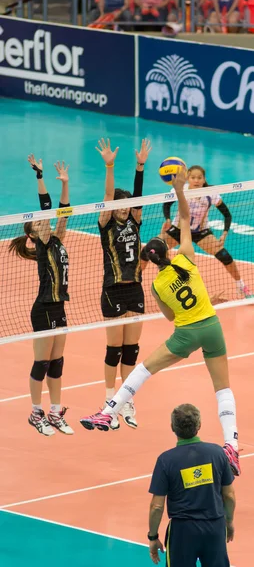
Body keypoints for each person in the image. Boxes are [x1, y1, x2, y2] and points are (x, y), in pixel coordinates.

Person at [80, 165, 241, 477]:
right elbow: (183, 218)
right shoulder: (186, 258)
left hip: (186, 333)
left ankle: (107, 411)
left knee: (143, 369)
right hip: (212, 327)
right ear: (166, 250)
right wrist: (180, 190)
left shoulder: (156, 286)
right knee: (223, 389)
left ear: (148, 260)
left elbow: (171, 317)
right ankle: (232, 444)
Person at [8, 155, 73, 437]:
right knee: (42, 363)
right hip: (43, 308)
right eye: (37, 223)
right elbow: (46, 208)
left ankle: (56, 411)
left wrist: (66, 184)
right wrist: (40, 177)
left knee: (57, 363)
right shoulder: (45, 244)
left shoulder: (57, 239)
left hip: (59, 306)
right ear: (34, 234)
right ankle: (36, 413)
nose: (42, 223)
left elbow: (63, 212)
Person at [96, 137, 151, 430]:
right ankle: (108, 401)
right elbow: (107, 196)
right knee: (114, 349)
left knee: (132, 349)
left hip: (135, 288)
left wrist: (140, 166)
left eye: (127, 205)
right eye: (119, 204)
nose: (123, 208)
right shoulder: (106, 223)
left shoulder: (135, 220)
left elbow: (139, 194)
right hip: (112, 289)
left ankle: (126, 400)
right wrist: (110, 166)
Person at [143, 165, 254, 300]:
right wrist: (167, 219)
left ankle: (241, 286)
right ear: (188, 178)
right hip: (178, 230)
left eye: (199, 178)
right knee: (148, 251)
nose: (196, 180)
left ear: (204, 179)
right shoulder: (181, 189)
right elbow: (167, 204)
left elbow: (227, 215)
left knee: (225, 256)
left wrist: (224, 233)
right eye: (193, 177)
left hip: (201, 233)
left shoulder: (210, 193)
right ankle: (136, 280)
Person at [147, 404, 235, 566]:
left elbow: (157, 507)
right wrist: (228, 522)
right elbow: (229, 495)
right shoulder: (217, 453)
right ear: (199, 425)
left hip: (183, 532)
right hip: (214, 527)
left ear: (172, 427)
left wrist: (153, 537)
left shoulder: (166, 460)